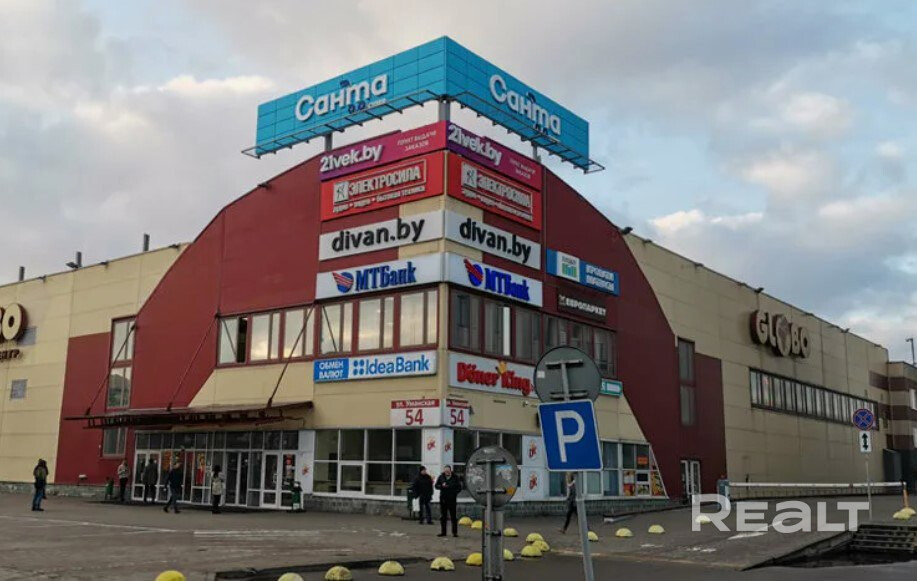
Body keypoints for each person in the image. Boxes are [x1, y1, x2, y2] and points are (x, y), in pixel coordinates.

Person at [435, 465, 462, 537]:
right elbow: (436, 486)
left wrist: (454, 493)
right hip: (443, 499)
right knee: (443, 517)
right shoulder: (441, 477)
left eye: (448, 471)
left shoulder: (455, 477)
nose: (446, 472)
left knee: (453, 517)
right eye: (445, 471)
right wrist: (441, 486)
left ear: (450, 471)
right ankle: (443, 532)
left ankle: (454, 532)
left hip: (452, 500)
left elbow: (459, 487)